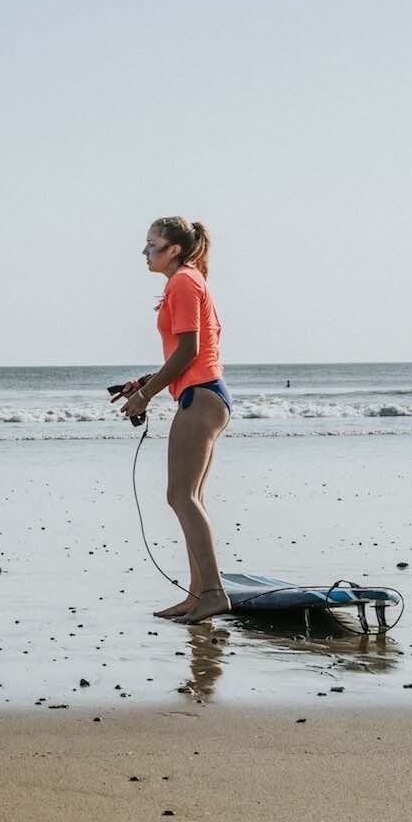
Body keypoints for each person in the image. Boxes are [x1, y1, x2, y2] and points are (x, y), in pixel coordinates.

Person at [117, 217, 230, 623]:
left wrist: (146, 396)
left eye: (152, 245)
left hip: (200, 398)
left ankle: (213, 593)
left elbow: (188, 351)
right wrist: (145, 382)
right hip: (203, 395)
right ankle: (197, 595)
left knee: (180, 497)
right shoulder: (186, 280)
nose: (145, 253)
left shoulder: (184, 281)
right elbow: (185, 356)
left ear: (174, 249)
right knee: (188, 497)